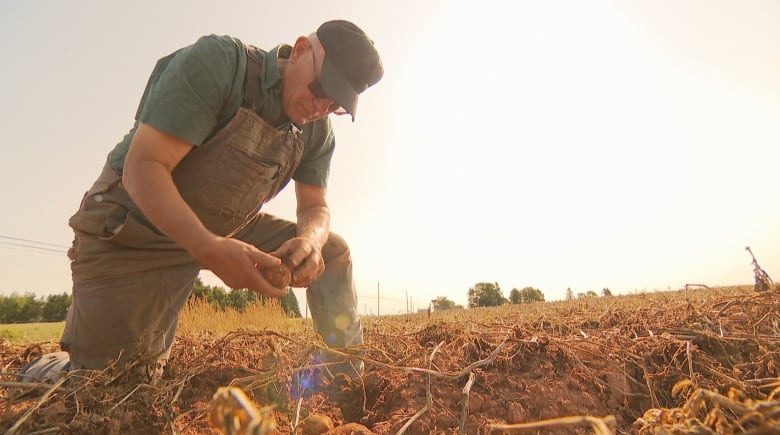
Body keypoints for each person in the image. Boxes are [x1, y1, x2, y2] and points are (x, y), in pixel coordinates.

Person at [18, 20, 383, 383]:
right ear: (301, 49)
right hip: (133, 229)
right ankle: (44, 371)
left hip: (225, 229)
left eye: (335, 104)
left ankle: (345, 383)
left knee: (332, 253)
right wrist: (208, 249)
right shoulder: (221, 64)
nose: (320, 106)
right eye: (320, 88)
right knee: (111, 387)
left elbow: (315, 207)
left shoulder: (315, 131)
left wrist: (310, 241)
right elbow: (143, 167)